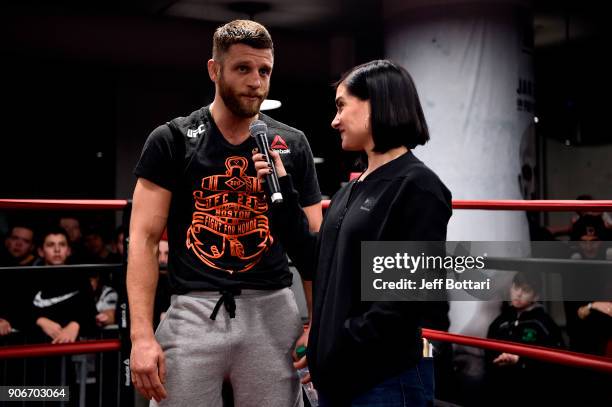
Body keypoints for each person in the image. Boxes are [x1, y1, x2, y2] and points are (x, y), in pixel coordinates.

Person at [127, 19, 322, 406]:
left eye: (264, 70)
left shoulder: (292, 144)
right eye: (243, 68)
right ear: (215, 70)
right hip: (194, 308)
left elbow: (316, 244)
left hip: (273, 307)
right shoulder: (173, 140)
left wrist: (317, 325)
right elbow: (144, 239)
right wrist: (141, 336)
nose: (256, 81)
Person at [253, 59, 452, 406]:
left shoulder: (418, 187)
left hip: (384, 381)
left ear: (377, 103)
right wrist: (281, 193)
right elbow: (317, 261)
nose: (335, 120)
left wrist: (338, 347)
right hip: (343, 380)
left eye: (342, 106)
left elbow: (408, 300)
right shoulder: (352, 190)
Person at [485, 272, 563, 406]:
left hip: (532, 393)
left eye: (526, 290)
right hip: (500, 390)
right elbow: (488, 354)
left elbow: (555, 362)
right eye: (516, 287)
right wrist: (498, 359)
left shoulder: (544, 323)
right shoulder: (499, 321)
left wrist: (521, 361)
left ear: (536, 295)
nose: (518, 294)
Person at [30, 227, 97, 343]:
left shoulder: (80, 278)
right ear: (40, 251)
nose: (57, 249)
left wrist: (76, 324)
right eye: (51, 245)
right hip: (36, 350)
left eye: (62, 244)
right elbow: (15, 310)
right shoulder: (28, 278)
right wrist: (39, 320)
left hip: (74, 351)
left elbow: (91, 311)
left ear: (69, 250)